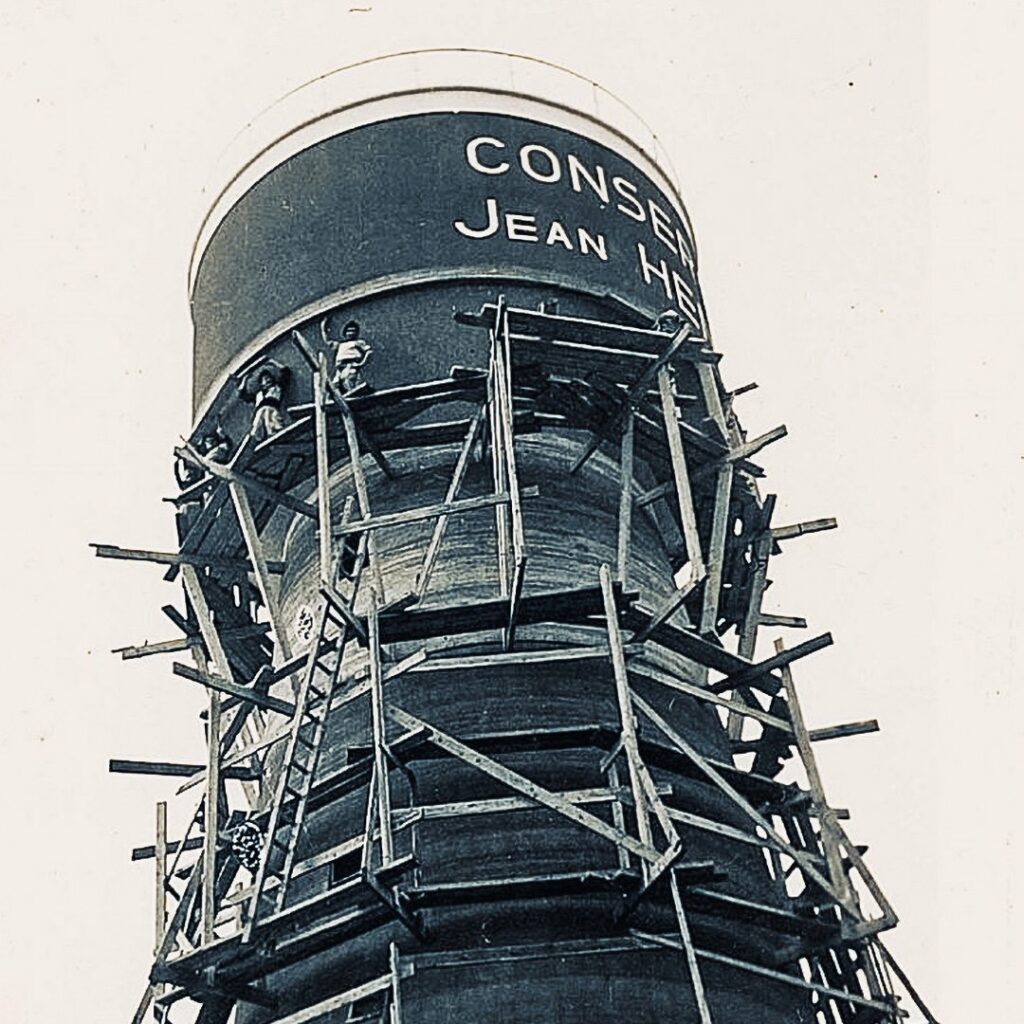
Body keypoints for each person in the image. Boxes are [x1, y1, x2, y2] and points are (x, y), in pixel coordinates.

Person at [239, 359, 290, 442]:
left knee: (271, 421)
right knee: (257, 425)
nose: (267, 380)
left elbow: (286, 371)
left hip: (272, 408)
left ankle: (275, 435)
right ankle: (256, 440)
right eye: (265, 380)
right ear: (262, 384)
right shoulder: (258, 395)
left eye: (269, 378)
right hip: (260, 411)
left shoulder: (278, 387)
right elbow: (243, 395)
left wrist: (273, 362)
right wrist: (244, 379)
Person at [329, 319, 372, 395]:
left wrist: (361, 364)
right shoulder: (340, 344)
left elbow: (369, 352)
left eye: (353, 331)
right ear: (345, 333)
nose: (351, 333)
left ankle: (354, 394)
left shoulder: (358, 342)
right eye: (348, 331)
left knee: (350, 381)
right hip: (339, 369)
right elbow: (328, 340)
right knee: (335, 385)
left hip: (350, 366)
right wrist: (324, 326)